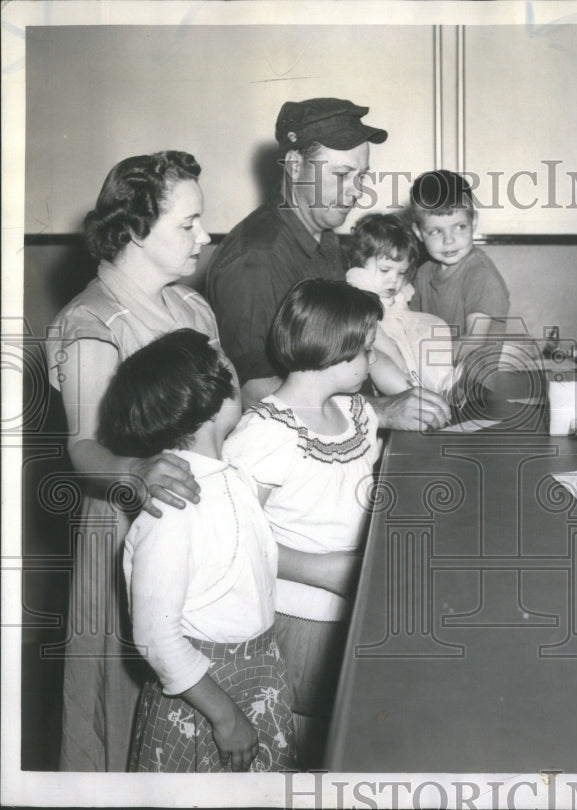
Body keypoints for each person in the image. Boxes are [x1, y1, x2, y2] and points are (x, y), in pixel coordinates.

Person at [45, 151, 221, 771]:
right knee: (130, 706)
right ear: (135, 229)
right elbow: (83, 447)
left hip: (201, 521)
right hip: (129, 526)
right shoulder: (92, 320)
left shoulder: (195, 309)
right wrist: (137, 472)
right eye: (188, 224)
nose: (204, 235)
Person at [99, 329, 296, 772]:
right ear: (211, 395)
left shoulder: (233, 478)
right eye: (229, 368)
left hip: (257, 674)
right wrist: (224, 717)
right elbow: (156, 638)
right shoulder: (172, 509)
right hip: (203, 703)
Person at [205, 96, 449, 429]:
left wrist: (415, 397)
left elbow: (367, 340)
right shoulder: (257, 258)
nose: (356, 192)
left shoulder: (326, 239)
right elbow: (254, 394)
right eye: (341, 175)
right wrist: (381, 412)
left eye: (360, 176)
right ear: (294, 166)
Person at [222, 279, 383, 769]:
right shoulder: (265, 433)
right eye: (368, 350)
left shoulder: (357, 414)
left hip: (353, 604)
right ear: (335, 349)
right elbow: (232, 538)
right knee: (306, 738)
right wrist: (326, 570)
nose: (373, 361)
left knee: (347, 727)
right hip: (301, 618)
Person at [346, 213, 457, 394]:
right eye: (385, 270)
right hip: (378, 340)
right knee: (390, 346)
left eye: (401, 273)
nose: (394, 280)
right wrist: (403, 362)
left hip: (400, 332)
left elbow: (406, 319)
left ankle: (444, 382)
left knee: (434, 326)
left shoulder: (397, 289)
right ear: (360, 261)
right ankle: (411, 387)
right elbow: (377, 334)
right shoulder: (358, 283)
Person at [409, 169, 510, 364]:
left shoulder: (480, 274)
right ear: (419, 233)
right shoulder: (422, 274)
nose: (449, 241)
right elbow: (411, 327)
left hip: (473, 384)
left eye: (459, 227)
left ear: (474, 222)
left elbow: (473, 341)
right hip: (437, 378)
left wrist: (420, 362)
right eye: (435, 231)